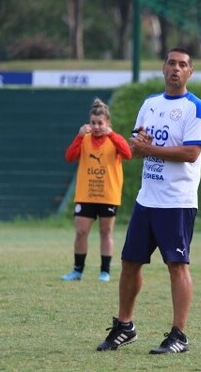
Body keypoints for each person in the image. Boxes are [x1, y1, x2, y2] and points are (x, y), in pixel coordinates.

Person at [96, 47, 201, 354]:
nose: (176, 68)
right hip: (147, 199)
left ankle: (179, 335)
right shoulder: (149, 104)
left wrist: (151, 150)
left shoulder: (197, 108)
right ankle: (125, 325)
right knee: (130, 262)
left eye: (183, 64)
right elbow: (138, 146)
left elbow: (191, 153)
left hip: (177, 202)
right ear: (163, 68)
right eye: (171, 63)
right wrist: (138, 146)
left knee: (177, 265)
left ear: (190, 72)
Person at [61, 97, 132, 282]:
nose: (97, 126)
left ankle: (105, 271)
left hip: (108, 195)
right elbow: (69, 157)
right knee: (81, 231)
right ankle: (77, 270)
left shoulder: (114, 140)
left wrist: (113, 135)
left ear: (108, 123)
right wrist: (78, 136)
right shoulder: (84, 139)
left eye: (100, 123)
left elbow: (128, 153)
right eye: (93, 123)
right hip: (86, 193)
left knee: (105, 232)